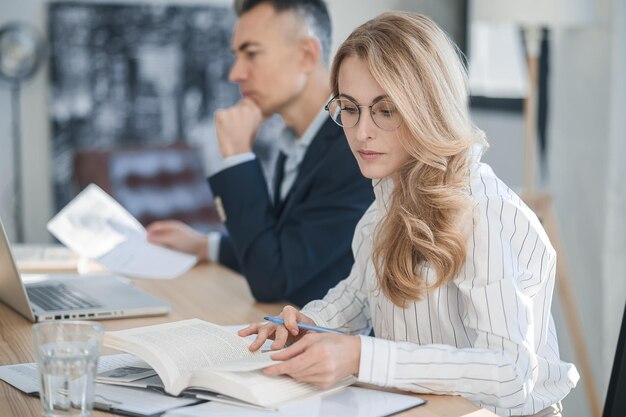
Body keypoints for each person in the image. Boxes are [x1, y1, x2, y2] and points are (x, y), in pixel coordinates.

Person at [239, 12, 579, 417]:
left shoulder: (482, 212)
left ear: (427, 107)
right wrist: (304, 324)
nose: (361, 131)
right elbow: (356, 299)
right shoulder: (383, 206)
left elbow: (510, 374)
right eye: (350, 108)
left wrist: (364, 356)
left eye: (385, 110)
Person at [146, 0, 374, 306]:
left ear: (306, 55)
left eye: (251, 53)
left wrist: (238, 156)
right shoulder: (296, 141)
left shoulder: (354, 149)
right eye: (236, 56)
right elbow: (287, 250)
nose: (236, 73)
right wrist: (207, 246)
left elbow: (273, 280)